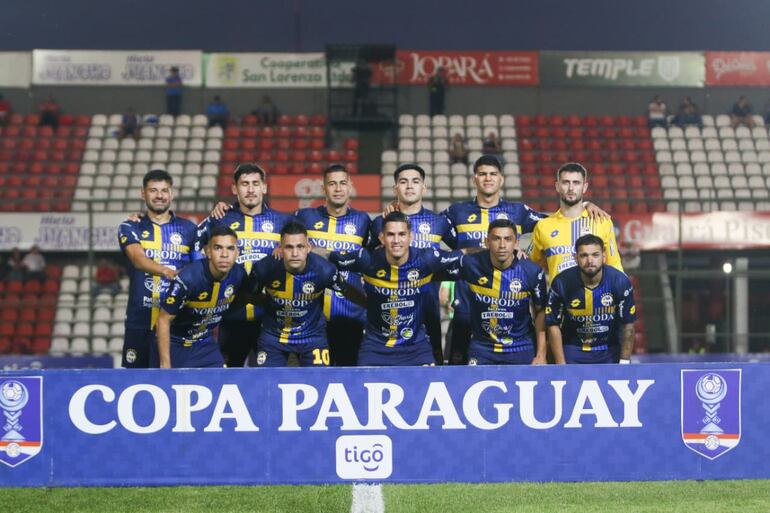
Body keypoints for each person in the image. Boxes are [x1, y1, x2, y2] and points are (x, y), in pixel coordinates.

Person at [442, 156, 612, 364]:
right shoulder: (456, 212)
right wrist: (447, 282)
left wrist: (584, 204)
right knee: (456, 371)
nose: (488, 179)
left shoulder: (518, 211)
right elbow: (427, 234)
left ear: (502, 180)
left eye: (493, 174)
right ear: (474, 179)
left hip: (509, 308)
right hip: (465, 305)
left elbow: (556, 221)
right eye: (483, 174)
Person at [329, 212, 463, 366]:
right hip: (375, 348)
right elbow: (329, 259)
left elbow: (464, 258)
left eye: (402, 234)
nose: (396, 240)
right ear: (382, 238)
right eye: (391, 235)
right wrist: (350, 293)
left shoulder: (426, 259)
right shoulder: (367, 260)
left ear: (410, 237)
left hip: (416, 349)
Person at [195, 163, 294, 367]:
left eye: (255, 184)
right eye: (244, 184)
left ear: (264, 187)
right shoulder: (219, 219)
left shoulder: (284, 221)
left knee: (269, 380)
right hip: (231, 315)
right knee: (228, 379)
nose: (250, 189)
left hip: (270, 317)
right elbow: (192, 246)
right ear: (234, 189)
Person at [370, 163, 456, 364]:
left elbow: (462, 256)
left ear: (423, 188)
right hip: (387, 312)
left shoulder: (439, 222)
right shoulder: (379, 224)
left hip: (428, 308)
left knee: (432, 366)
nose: (410, 186)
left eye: (415, 181)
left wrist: (450, 288)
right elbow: (366, 262)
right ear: (395, 189)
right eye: (403, 182)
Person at [249, 221, 363, 367]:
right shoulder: (263, 269)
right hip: (273, 337)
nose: (295, 253)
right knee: (267, 385)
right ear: (280, 248)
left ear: (308, 248)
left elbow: (347, 291)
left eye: (300, 246)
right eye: (289, 247)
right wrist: (269, 303)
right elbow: (250, 294)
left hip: (312, 337)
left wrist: (370, 305)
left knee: (320, 382)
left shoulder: (324, 270)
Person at [118, 169, 198, 368]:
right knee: (134, 382)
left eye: (164, 190)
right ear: (143, 193)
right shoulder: (130, 226)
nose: (159, 195)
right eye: (153, 190)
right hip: (140, 320)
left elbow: (198, 269)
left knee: (177, 382)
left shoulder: (189, 229)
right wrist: (167, 271)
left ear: (171, 193)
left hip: (177, 320)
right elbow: (138, 259)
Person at [294, 164, 371, 366]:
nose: (338, 189)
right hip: (311, 317)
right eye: (332, 184)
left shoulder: (363, 220)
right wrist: (229, 208)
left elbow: (373, 258)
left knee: (349, 379)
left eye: (342, 183)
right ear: (324, 189)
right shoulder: (304, 217)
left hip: (350, 317)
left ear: (350, 187)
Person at [445, 219, 547, 365]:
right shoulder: (470, 264)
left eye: (508, 239)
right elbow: (434, 267)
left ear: (516, 243)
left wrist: (541, 354)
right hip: (482, 349)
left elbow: (541, 312)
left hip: (520, 348)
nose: (502, 245)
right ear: (486, 242)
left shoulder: (531, 271)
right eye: (496, 239)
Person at [157, 226, 245, 368]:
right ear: (208, 252)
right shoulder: (188, 279)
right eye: (218, 248)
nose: (224, 254)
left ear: (237, 253)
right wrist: (165, 365)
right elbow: (163, 319)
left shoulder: (239, 274)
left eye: (230, 248)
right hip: (176, 344)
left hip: (205, 344)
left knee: (225, 383)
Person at [546, 234, 637, 364]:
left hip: (609, 350)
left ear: (604, 257)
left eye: (595, 255)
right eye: (584, 255)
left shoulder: (620, 281)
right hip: (573, 350)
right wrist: (561, 364)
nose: (590, 260)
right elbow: (553, 324)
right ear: (575, 258)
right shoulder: (561, 282)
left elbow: (628, 325)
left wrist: (624, 362)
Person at [530, 162, 623, 283]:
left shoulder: (601, 221)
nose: (571, 188)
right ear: (557, 186)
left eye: (576, 183)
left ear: (584, 187)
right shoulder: (543, 226)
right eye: (565, 182)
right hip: (560, 300)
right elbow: (531, 266)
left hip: (596, 300)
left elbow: (615, 266)